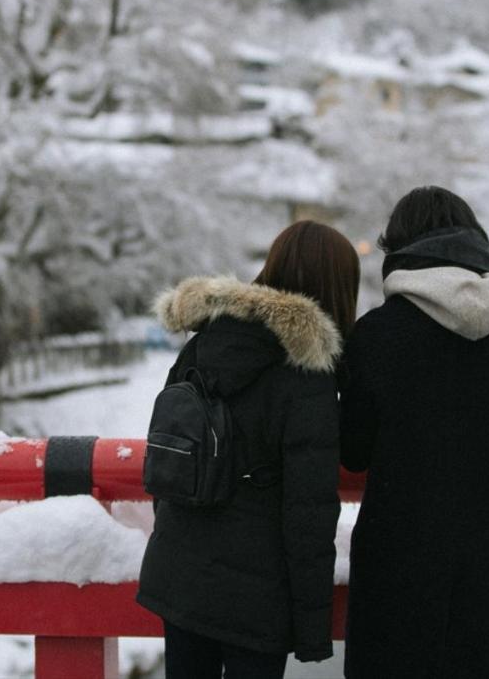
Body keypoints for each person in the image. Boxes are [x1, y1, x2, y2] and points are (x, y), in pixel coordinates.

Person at [340, 186, 489, 678]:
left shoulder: (376, 335)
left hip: (393, 583)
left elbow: (352, 452)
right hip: (484, 580)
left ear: (400, 252)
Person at [137, 220, 360, 679]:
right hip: (256, 597)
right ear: (336, 289)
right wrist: (312, 630)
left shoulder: (203, 342)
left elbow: (170, 452)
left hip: (179, 574)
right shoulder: (307, 377)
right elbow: (309, 515)